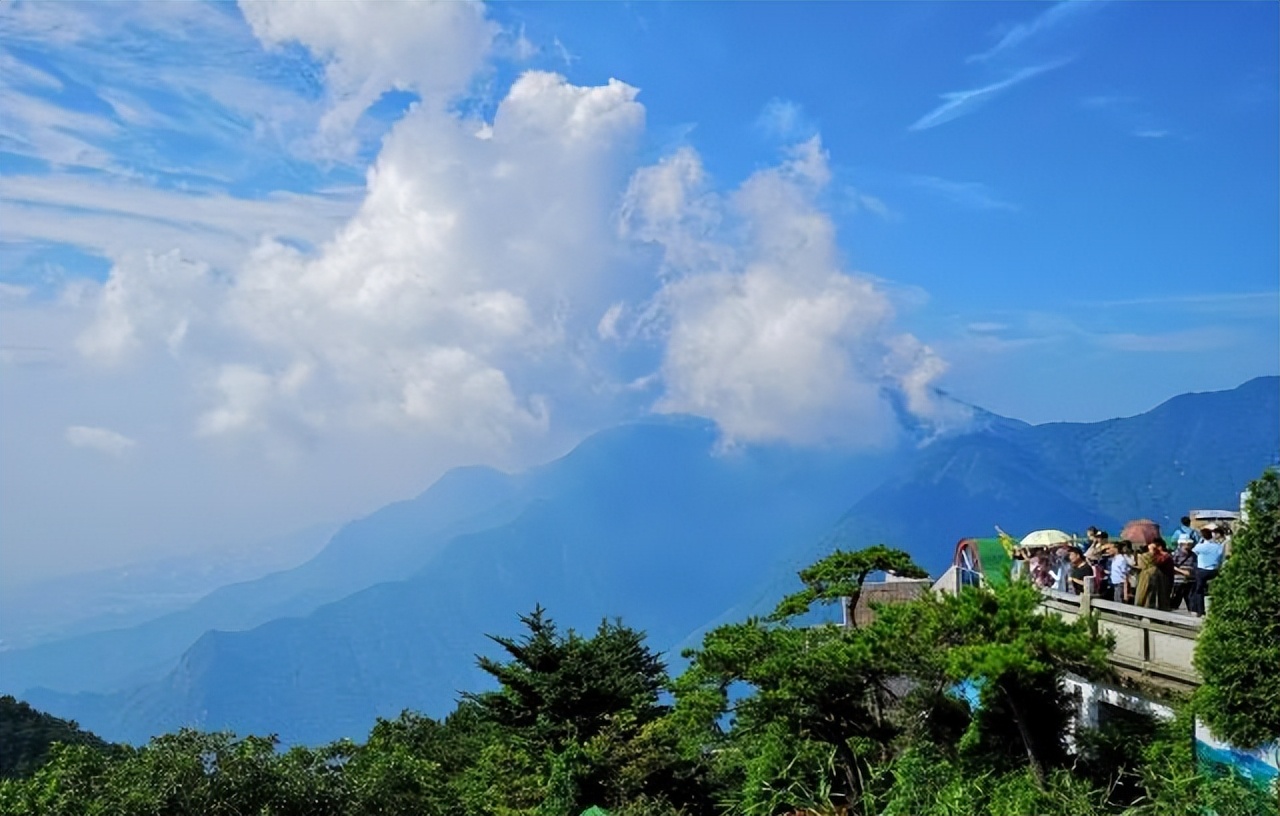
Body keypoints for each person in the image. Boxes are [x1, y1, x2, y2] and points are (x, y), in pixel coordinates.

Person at [1190, 526, 1226, 616]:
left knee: (1199, 591)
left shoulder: (1201, 546)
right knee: (1214, 590)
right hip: (1214, 570)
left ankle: (1200, 610)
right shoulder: (1218, 547)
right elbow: (1221, 556)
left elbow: (1194, 551)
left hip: (1202, 570)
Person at [1170, 534, 1196, 611]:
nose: (1188, 546)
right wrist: (1182, 571)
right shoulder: (1176, 554)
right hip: (1178, 580)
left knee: (1190, 601)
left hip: (1190, 580)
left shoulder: (1193, 555)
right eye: (1186, 544)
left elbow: (1195, 565)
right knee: (1176, 600)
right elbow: (1172, 566)